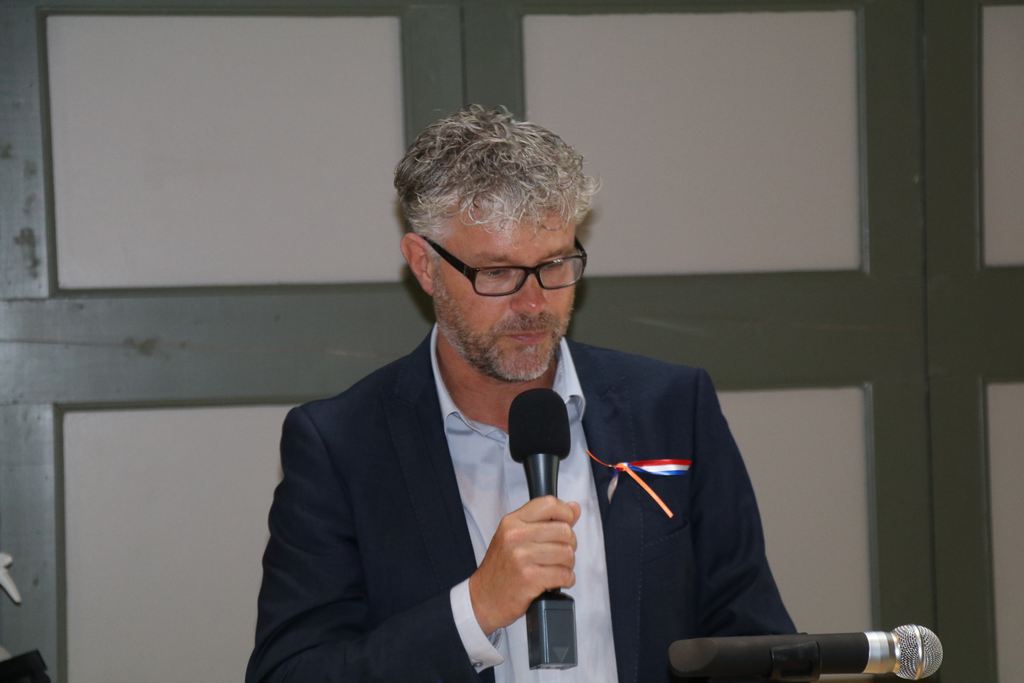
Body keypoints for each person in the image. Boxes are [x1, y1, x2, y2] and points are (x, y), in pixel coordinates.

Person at [246, 105, 794, 683]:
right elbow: (291, 673)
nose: (533, 304)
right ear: (424, 265)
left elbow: (754, 643)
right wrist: (475, 608)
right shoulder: (341, 446)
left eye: (554, 265)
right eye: (498, 273)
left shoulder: (673, 406)